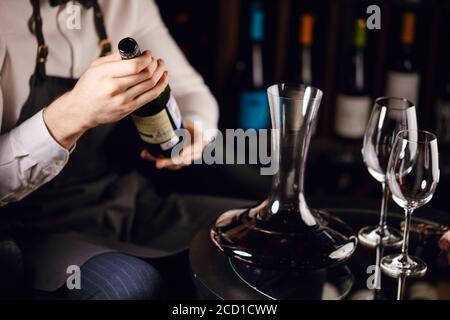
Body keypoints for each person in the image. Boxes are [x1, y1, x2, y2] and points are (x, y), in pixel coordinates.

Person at [0, 0, 245, 299]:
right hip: (30, 224)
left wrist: (195, 130)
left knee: (260, 235)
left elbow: (192, 93)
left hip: (119, 201)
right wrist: (71, 114)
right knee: (127, 284)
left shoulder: (128, 5)